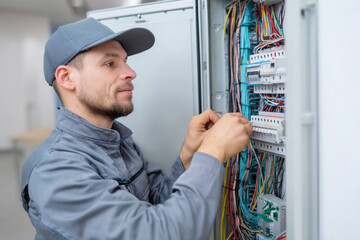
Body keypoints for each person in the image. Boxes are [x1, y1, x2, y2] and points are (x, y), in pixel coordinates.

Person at [21, 18, 252, 240]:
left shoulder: (120, 141)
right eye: (110, 63)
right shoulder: (56, 173)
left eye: (125, 61)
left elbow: (157, 203)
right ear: (67, 78)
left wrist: (189, 155)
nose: (131, 73)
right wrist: (212, 153)